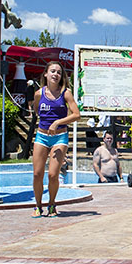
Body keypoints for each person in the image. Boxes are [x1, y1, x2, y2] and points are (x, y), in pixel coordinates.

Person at [32, 61, 80, 218]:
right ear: (45, 74)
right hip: (42, 135)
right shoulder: (39, 93)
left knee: (53, 174)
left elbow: (76, 114)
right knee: (37, 174)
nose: (55, 74)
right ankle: (38, 205)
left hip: (59, 136)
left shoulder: (66, 93)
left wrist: (58, 122)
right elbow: (37, 110)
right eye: (52, 71)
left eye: (58, 72)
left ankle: (52, 203)